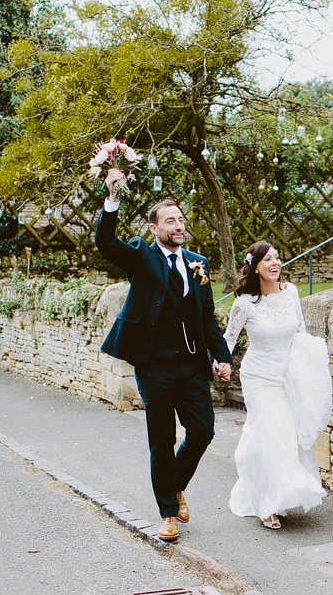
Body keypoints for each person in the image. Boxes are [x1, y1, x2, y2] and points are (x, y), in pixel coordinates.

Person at [95, 168, 232, 542]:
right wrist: (112, 198)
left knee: (203, 431)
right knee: (161, 439)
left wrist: (222, 357)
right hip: (153, 365)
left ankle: (173, 487)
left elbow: (207, 318)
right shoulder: (142, 256)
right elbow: (106, 243)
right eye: (170, 220)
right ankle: (168, 514)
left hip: (191, 364)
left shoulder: (197, 262)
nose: (178, 225)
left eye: (181, 219)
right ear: (154, 228)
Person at [223, 241, 327, 529]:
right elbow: (228, 339)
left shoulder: (290, 292)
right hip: (258, 376)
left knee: (285, 435)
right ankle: (266, 504)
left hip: (287, 375)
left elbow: (300, 332)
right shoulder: (244, 302)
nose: (275, 263)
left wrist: (310, 368)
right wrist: (221, 363)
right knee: (269, 431)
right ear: (255, 266)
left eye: (277, 258)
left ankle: (274, 492)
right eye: (268, 259)